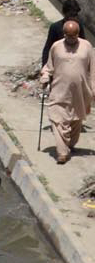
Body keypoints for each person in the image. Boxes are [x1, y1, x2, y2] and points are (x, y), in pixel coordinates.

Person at [41, 18, 95, 164]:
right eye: (68, 36)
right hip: (60, 91)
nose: (71, 39)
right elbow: (49, 66)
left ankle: (70, 144)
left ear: (78, 34)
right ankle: (62, 153)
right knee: (58, 121)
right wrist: (45, 77)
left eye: (74, 36)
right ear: (64, 34)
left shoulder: (87, 47)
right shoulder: (56, 47)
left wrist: (93, 90)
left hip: (81, 93)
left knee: (76, 121)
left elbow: (93, 70)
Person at [42, 0, 85, 67]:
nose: (73, 18)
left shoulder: (79, 26)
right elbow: (48, 48)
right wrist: (45, 67)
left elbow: (84, 45)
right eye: (70, 15)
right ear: (64, 13)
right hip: (60, 63)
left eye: (75, 15)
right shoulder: (55, 28)